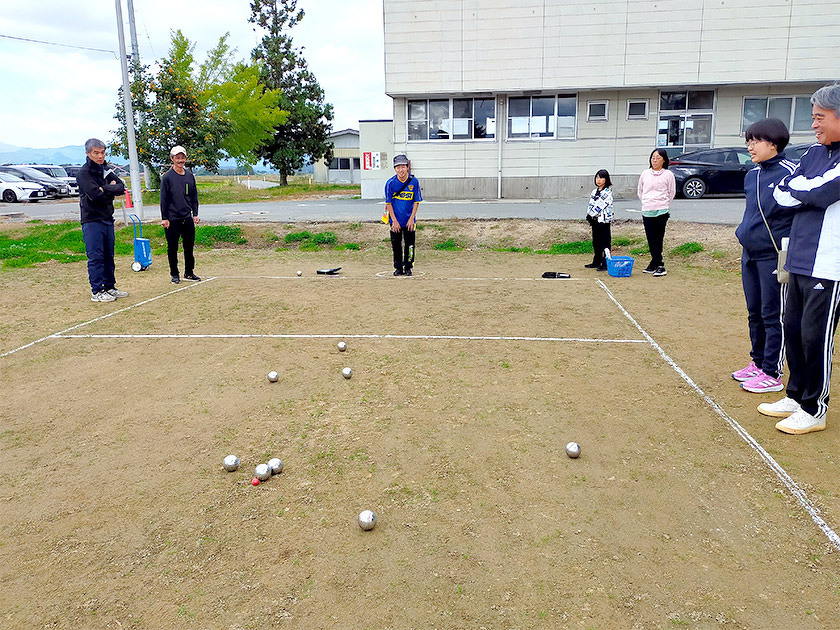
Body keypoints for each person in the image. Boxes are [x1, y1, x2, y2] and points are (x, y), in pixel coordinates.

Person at [759, 83, 840, 434]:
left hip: (829, 262)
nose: (814, 125)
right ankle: (794, 395)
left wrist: (803, 189)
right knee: (792, 329)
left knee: (814, 336)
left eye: (820, 118)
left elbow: (821, 192)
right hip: (799, 256)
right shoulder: (811, 154)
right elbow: (782, 193)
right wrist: (804, 189)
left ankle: (814, 407)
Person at [732, 118, 797, 394]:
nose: (750, 146)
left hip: (774, 255)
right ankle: (758, 362)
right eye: (748, 141)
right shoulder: (752, 174)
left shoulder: (791, 173)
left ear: (773, 143)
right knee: (754, 311)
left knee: (773, 313)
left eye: (755, 141)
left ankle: (772, 371)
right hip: (750, 253)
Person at [76, 138, 128, 303]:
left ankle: (110, 286)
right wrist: (108, 190)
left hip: (107, 219)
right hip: (92, 220)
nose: (100, 156)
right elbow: (95, 195)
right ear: (88, 153)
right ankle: (97, 291)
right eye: (96, 153)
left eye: (102, 152)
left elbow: (121, 187)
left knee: (108, 256)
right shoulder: (84, 173)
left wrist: (105, 188)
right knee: (96, 257)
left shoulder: (106, 170)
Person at [160, 145, 200, 284]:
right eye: (177, 157)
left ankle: (189, 272)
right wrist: (164, 218)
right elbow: (163, 199)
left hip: (186, 217)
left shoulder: (189, 176)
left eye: (182, 157)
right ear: (172, 159)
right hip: (172, 219)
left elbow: (194, 197)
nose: (180, 160)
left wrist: (195, 214)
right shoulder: (167, 178)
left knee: (189, 247)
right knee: (172, 248)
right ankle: (174, 274)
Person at [637, 148, 676, 277]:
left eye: (658, 158)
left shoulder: (668, 174)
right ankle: (655, 262)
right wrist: (647, 202)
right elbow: (640, 191)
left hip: (662, 209)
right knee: (650, 237)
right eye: (653, 157)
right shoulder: (645, 174)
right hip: (647, 208)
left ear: (664, 160)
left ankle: (659, 264)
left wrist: (663, 203)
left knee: (658, 237)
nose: (655, 160)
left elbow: (671, 192)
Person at [385, 154, 421, 276]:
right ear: (395, 169)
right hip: (395, 220)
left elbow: (416, 201)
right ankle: (398, 267)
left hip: (409, 220)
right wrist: (394, 220)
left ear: (407, 167)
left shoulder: (414, 182)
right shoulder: (390, 183)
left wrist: (412, 218)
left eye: (403, 167)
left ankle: (409, 267)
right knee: (396, 245)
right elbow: (388, 203)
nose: (401, 170)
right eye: (398, 167)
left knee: (410, 244)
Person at [584, 169, 614, 271]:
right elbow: (591, 204)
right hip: (595, 221)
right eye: (597, 177)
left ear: (606, 179)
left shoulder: (607, 192)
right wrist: (589, 215)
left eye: (601, 178)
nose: (599, 180)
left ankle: (606, 262)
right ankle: (597, 260)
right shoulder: (594, 191)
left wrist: (592, 214)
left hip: (603, 221)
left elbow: (600, 204)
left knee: (605, 242)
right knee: (596, 242)